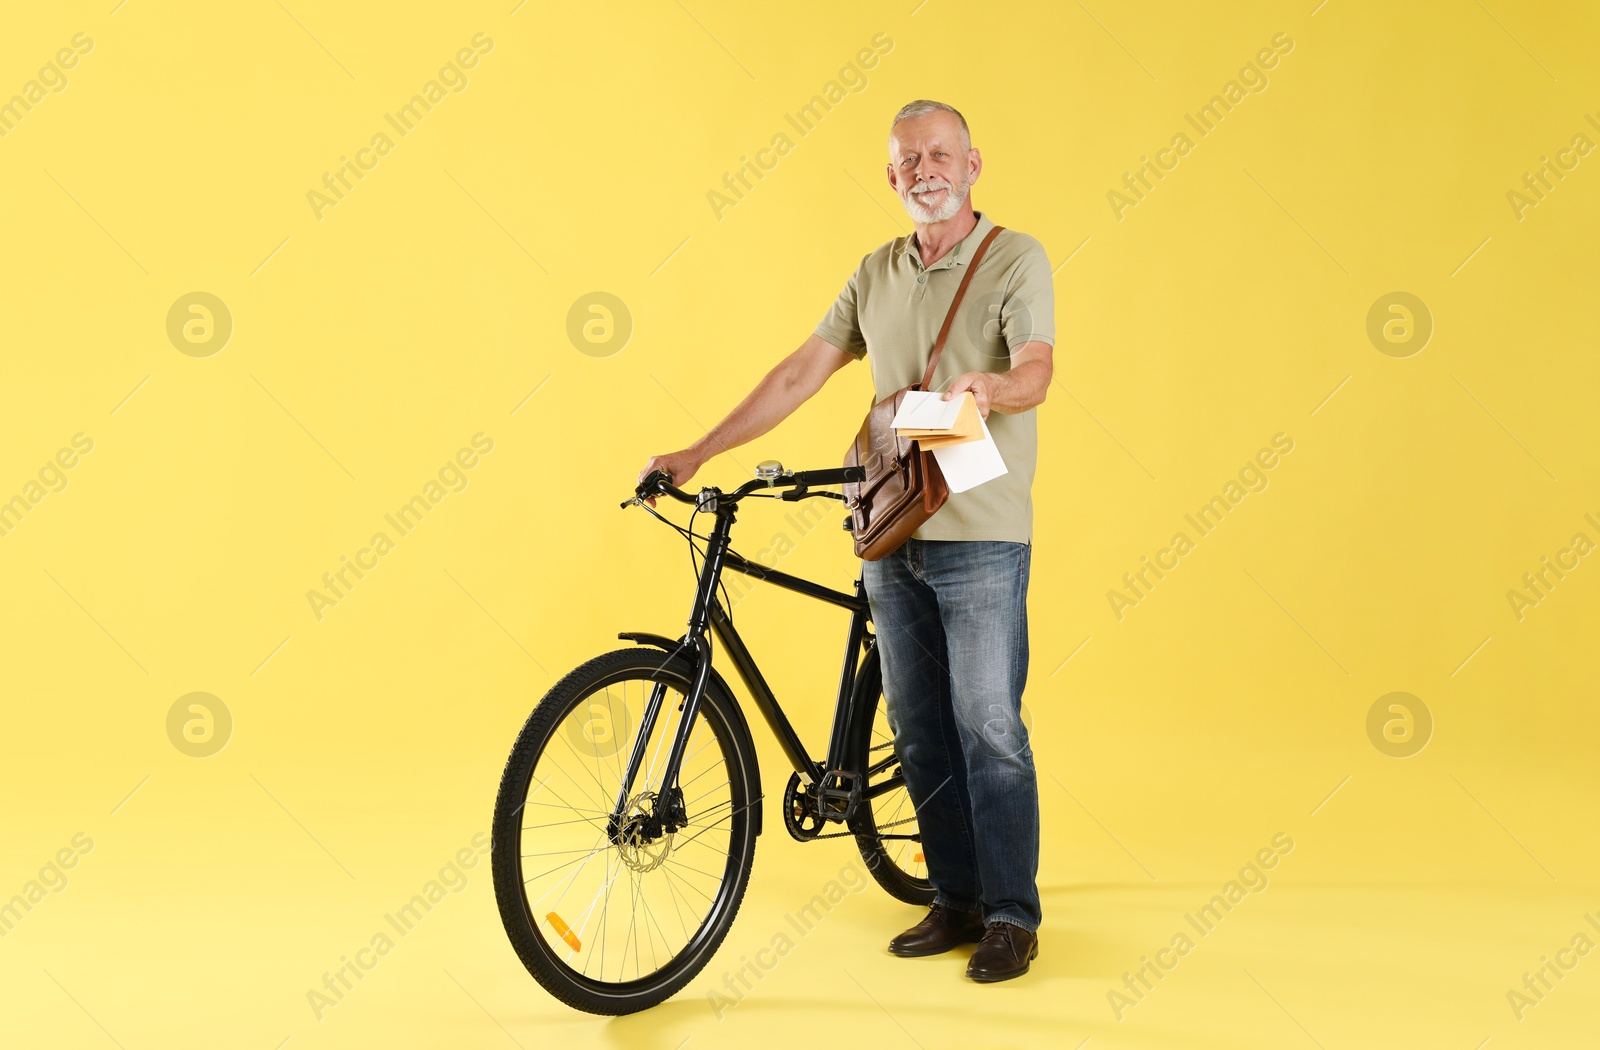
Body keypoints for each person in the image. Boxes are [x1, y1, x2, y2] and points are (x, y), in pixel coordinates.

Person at [638, 99, 1053, 983]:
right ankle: (952, 897)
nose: (926, 169)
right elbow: (800, 372)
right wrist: (697, 450)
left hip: (981, 533)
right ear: (892, 175)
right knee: (914, 726)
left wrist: (992, 385)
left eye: (941, 154)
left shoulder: (1015, 256)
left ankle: (1012, 913)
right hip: (888, 529)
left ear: (974, 164)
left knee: (988, 723)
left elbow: (1038, 371)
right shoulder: (875, 272)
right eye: (909, 159)